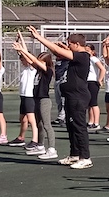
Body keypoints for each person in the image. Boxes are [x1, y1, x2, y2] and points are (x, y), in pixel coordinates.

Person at [29, 27, 94, 169]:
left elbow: (58, 51)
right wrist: (61, 47)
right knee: (71, 126)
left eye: (70, 44)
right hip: (70, 96)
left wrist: (39, 37)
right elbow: (58, 52)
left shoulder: (83, 56)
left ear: (77, 44)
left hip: (78, 96)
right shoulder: (75, 56)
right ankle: (74, 155)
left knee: (79, 127)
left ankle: (85, 157)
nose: (68, 46)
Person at [11, 33, 57, 161]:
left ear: (46, 62)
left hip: (44, 100)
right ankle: (40, 146)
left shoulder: (48, 71)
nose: (38, 62)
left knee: (47, 125)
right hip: (36, 99)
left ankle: (52, 149)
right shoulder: (38, 71)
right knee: (39, 124)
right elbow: (31, 60)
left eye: (41, 60)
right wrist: (21, 49)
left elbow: (35, 61)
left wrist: (23, 49)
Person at [11, 36, 40, 147]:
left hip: (29, 96)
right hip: (23, 96)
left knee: (31, 119)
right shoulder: (25, 69)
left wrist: (22, 41)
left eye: (23, 59)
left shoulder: (33, 68)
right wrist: (19, 40)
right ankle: (21, 137)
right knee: (22, 118)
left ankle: (35, 139)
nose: (22, 61)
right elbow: (21, 52)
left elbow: (26, 54)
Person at [85, 43, 103, 134]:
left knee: (93, 103)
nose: (86, 52)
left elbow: (102, 69)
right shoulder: (86, 59)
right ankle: (90, 122)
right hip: (86, 82)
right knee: (89, 104)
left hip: (92, 82)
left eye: (88, 51)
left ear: (92, 51)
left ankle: (96, 123)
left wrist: (99, 79)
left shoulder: (94, 59)